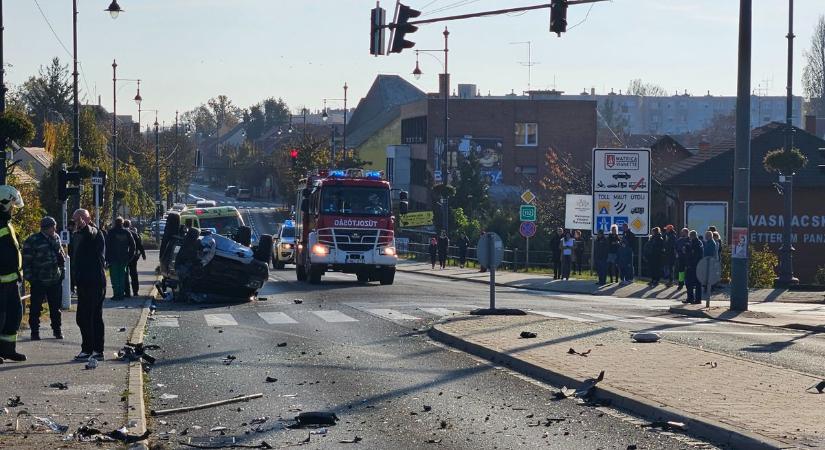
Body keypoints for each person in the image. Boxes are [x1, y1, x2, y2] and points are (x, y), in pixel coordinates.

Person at [71, 209, 107, 361]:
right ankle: (95, 349)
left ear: (85, 219)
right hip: (86, 281)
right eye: (74, 221)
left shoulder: (94, 232)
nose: (75, 224)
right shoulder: (78, 235)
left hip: (94, 281)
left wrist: (84, 227)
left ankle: (90, 349)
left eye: (77, 220)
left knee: (88, 317)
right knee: (91, 317)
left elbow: (91, 233)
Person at [22, 216, 66, 340]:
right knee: (36, 308)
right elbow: (26, 262)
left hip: (54, 279)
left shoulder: (56, 238)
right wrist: (32, 279)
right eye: (53, 227)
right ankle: (34, 332)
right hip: (39, 280)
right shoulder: (33, 240)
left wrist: (62, 273)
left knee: (55, 308)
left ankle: (57, 330)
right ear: (47, 228)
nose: (55, 229)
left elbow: (61, 256)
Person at [0, 185, 26, 362]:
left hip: (11, 279)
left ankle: (8, 349)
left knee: (14, 313)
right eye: (11, 205)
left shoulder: (6, 222)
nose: (13, 209)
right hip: (1, 280)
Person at [105, 217, 135, 301]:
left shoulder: (111, 232)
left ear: (115, 223)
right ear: (122, 223)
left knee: (114, 277)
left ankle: (116, 294)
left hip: (113, 258)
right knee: (122, 277)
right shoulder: (127, 232)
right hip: (124, 258)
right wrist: (130, 256)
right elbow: (133, 245)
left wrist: (106, 258)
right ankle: (121, 294)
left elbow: (106, 246)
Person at [123, 219, 146, 297]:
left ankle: (127, 292)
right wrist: (143, 254)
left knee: (125, 274)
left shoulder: (122, 233)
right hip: (133, 257)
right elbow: (139, 245)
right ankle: (135, 292)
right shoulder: (134, 233)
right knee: (134, 274)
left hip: (123, 257)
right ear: (130, 225)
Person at [684, 230, 704, 304]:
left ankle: (692, 298)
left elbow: (693, 255)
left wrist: (690, 264)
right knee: (696, 283)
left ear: (691, 236)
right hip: (697, 265)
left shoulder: (695, 244)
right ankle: (694, 298)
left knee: (690, 283)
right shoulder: (699, 243)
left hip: (692, 266)